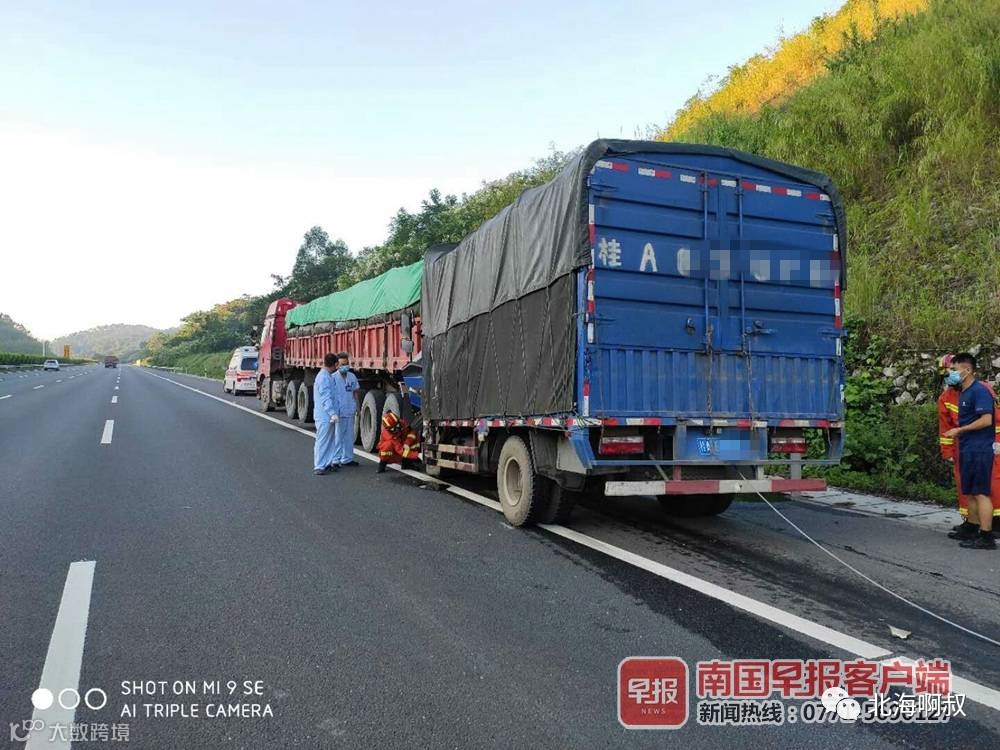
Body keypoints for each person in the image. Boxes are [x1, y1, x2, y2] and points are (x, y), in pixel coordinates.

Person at [942, 353, 997, 549]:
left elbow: (986, 420)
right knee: (971, 492)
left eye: (954, 370)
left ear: (967, 370)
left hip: (980, 449)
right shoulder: (964, 392)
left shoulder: (979, 391)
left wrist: (960, 430)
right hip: (968, 448)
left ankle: (986, 536)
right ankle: (972, 528)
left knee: (981, 493)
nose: (951, 373)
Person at [331, 352, 362, 467]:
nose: (345, 366)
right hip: (339, 412)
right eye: (343, 364)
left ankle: (347, 458)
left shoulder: (352, 377)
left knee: (349, 436)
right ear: (337, 365)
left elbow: (355, 393)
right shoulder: (333, 378)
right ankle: (335, 459)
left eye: (347, 363)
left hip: (350, 410)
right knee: (338, 437)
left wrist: (358, 407)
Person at [312, 354, 340, 475]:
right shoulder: (323, 378)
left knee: (330, 440)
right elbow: (326, 398)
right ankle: (319, 465)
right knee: (323, 440)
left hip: (327, 415)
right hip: (324, 415)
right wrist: (332, 413)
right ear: (335, 364)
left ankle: (327, 463)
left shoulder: (327, 376)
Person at [376, 409, 420, 473]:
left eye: (397, 426)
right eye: (393, 429)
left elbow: (412, 431)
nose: (397, 429)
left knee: (415, 436)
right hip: (394, 454)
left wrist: (407, 443)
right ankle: (382, 464)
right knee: (388, 445)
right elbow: (401, 451)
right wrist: (417, 455)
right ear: (388, 429)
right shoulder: (390, 436)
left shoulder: (401, 423)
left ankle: (406, 464)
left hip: (402, 445)